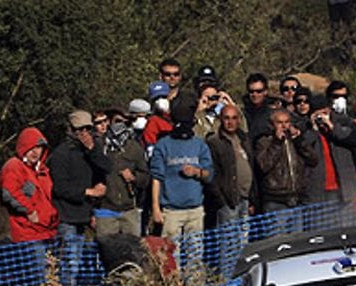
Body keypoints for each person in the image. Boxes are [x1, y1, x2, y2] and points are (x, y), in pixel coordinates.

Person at [149, 94, 213, 246]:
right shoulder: (163, 145)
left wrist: (197, 172)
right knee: (170, 256)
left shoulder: (200, 145)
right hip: (171, 211)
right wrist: (156, 208)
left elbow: (209, 174)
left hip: (195, 210)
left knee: (195, 254)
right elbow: (156, 178)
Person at [49, 110, 111, 240]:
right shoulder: (61, 153)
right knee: (70, 259)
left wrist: (92, 150)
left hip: (85, 216)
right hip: (66, 217)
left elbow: (107, 167)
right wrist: (88, 192)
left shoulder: (92, 150)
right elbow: (60, 188)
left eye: (87, 128)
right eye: (79, 129)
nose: (84, 133)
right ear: (71, 129)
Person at [254, 109, 317, 230]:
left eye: (287, 122)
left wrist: (299, 140)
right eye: (279, 123)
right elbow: (263, 165)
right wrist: (277, 143)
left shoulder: (294, 141)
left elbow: (313, 160)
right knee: (277, 242)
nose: (284, 126)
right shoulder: (264, 141)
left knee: (296, 241)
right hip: (276, 201)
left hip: (296, 199)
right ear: (271, 125)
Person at [0, 127, 58, 243]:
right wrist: (29, 211)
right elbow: (9, 192)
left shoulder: (43, 171)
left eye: (39, 147)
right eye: (31, 147)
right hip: (27, 233)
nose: (35, 152)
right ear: (23, 148)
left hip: (48, 231)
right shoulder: (14, 166)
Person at [98, 115, 150, 237]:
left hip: (129, 209)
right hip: (106, 209)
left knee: (132, 249)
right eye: (116, 121)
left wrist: (133, 177)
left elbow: (146, 178)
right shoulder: (100, 147)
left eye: (123, 122)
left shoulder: (134, 148)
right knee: (107, 249)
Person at [206, 104, 255, 226]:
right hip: (228, 201)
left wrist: (253, 199)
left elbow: (252, 167)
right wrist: (221, 201)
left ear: (239, 120)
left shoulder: (244, 138)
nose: (230, 122)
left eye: (234, 118)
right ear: (220, 120)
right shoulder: (214, 142)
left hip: (246, 199)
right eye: (226, 118)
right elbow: (211, 175)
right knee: (229, 241)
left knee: (245, 241)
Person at [308, 94, 356, 205]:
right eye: (318, 114)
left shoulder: (344, 121)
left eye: (324, 113)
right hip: (320, 188)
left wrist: (331, 126)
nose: (321, 117)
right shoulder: (307, 128)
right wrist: (314, 129)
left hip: (343, 185)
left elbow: (351, 139)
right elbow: (305, 147)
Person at [242, 72, 274, 146]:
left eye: (259, 91)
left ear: (265, 91)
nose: (255, 95)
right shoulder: (243, 113)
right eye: (251, 91)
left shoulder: (273, 114)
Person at [142, 81, 173, 153]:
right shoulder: (153, 122)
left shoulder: (179, 115)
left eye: (164, 97)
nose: (161, 101)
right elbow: (150, 146)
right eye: (156, 99)